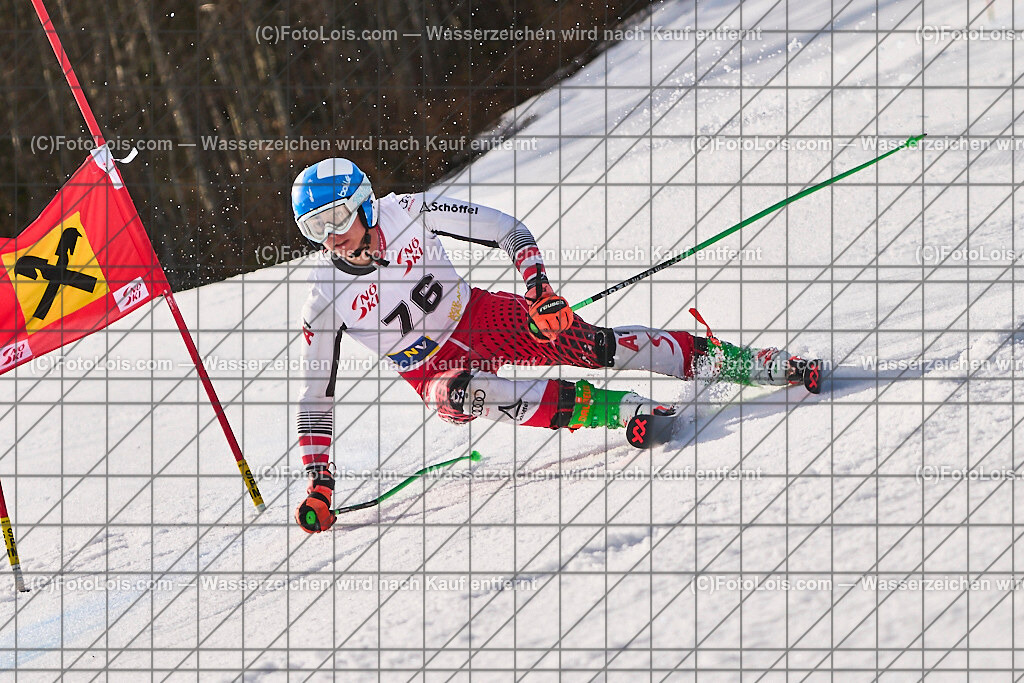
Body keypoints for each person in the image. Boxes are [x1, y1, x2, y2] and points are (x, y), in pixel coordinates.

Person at [291, 158, 818, 533]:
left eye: (337, 217)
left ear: (364, 205)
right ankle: (621, 412)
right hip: (434, 371)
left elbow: (507, 230)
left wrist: (538, 289)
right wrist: (320, 480)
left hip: (479, 317)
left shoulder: (411, 209)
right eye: (315, 228)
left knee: (589, 342)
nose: (331, 236)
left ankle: (748, 364)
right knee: (462, 393)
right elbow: (316, 399)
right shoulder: (324, 297)